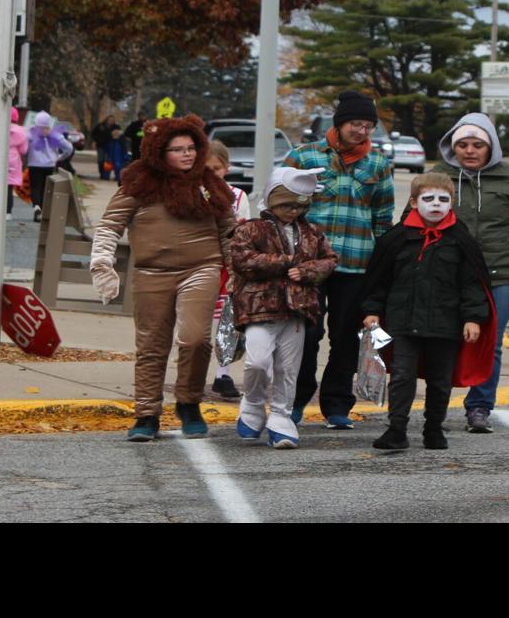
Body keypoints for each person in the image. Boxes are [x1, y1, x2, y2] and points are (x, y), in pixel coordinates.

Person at [89, 115, 239, 442]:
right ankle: (146, 415)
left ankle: (188, 403)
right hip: (150, 273)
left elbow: (230, 232)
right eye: (177, 149)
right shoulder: (139, 183)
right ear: (159, 151)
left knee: (196, 339)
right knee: (152, 346)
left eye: (191, 148)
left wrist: (240, 274)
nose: (187, 154)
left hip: (202, 269)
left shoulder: (210, 183)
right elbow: (109, 226)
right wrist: (102, 263)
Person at [430, 113, 509, 434]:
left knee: (490, 340)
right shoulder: (438, 177)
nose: (470, 151)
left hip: (501, 274)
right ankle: (436, 404)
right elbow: (413, 222)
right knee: (444, 339)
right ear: (452, 146)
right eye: (463, 144)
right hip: (448, 274)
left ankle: (479, 408)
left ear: (490, 148)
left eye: (477, 145)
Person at [278, 89, 395, 430]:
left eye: (368, 126)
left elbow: (382, 217)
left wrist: (383, 263)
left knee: (346, 337)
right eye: (356, 124)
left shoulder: (378, 164)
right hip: (310, 265)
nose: (361, 131)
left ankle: (336, 405)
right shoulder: (304, 156)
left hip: (357, 264)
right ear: (340, 123)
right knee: (305, 333)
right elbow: (282, 205)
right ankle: (296, 401)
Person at [358, 172, 492, 452]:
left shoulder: (460, 240)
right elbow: (380, 279)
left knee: (440, 380)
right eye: (428, 198)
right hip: (403, 322)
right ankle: (396, 429)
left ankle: (433, 429)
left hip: (446, 323)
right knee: (403, 376)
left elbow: (472, 283)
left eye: (443, 199)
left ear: (452, 202)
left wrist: (473, 317)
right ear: (414, 202)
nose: (436, 204)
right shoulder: (396, 238)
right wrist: (372, 309)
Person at [226, 167, 338, 449]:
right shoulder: (250, 228)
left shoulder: (312, 233)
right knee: (258, 362)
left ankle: (281, 417)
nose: (293, 211)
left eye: (300, 205)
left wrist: (308, 270)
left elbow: (330, 260)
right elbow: (243, 261)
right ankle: (252, 403)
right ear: (273, 200)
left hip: (297, 310)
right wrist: (288, 262)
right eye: (287, 204)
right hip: (259, 308)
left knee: (288, 369)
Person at [203, 139, 251, 400]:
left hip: (228, 268)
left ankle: (223, 374)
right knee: (197, 328)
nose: (212, 174)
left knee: (226, 324)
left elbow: (243, 233)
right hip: (201, 264)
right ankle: (195, 372)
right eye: (206, 169)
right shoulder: (194, 195)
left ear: (227, 168)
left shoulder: (238, 197)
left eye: (217, 169)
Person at [25, 112, 73, 222]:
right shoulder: (56, 135)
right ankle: (42, 210)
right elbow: (69, 148)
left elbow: (23, 145)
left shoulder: (31, 134)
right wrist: (59, 157)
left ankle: (36, 207)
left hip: (34, 164)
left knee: (35, 188)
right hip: (49, 165)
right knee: (45, 189)